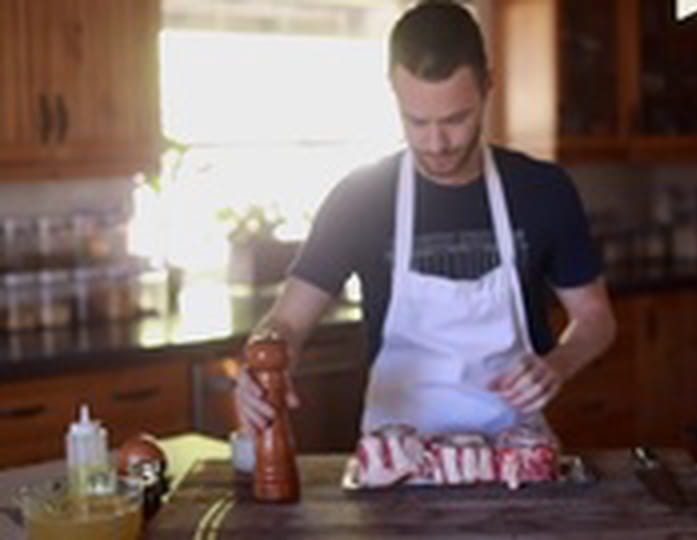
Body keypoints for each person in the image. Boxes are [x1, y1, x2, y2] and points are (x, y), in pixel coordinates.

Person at [234, 0, 616, 439]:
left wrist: (558, 365)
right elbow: (287, 321)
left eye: (456, 119)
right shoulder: (360, 198)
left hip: (515, 451)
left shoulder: (542, 190)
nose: (436, 143)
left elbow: (595, 317)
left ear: (488, 85)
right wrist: (262, 358)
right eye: (416, 121)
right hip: (396, 457)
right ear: (393, 93)